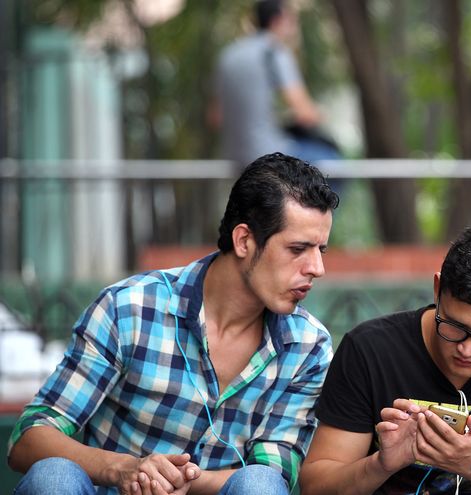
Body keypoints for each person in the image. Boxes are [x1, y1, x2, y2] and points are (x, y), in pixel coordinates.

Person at [8, 152, 339, 495]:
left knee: (261, 485)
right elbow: (30, 437)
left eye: (321, 250)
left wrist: (177, 480)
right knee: (53, 477)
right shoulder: (130, 308)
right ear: (244, 241)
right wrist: (124, 469)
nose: (317, 268)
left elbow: (275, 472)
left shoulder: (308, 346)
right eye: (298, 249)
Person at [299, 217, 471, 495]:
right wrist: (380, 464)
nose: (467, 349)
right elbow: (315, 486)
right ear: (437, 289)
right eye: (455, 326)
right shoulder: (369, 350)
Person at [213, 0, 340, 170]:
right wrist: (321, 114)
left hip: (234, 156)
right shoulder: (273, 52)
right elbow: (305, 114)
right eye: (292, 20)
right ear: (277, 20)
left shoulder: (228, 55)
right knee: (332, 161)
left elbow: (216, 117)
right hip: (268, 154)